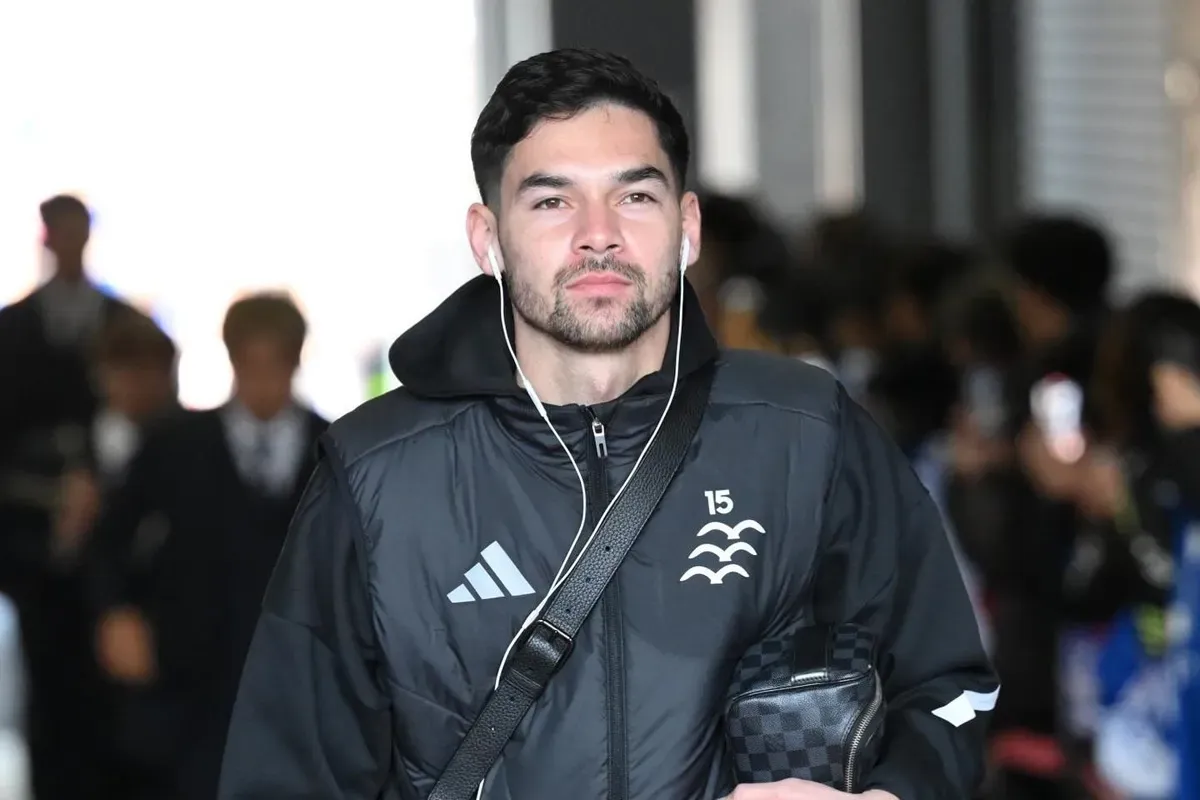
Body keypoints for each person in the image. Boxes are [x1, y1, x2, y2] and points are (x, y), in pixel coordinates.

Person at [219, 48, 998, 799]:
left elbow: (950, 688)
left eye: (635, 195)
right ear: (487, 239)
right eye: (552, 200)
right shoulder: (379, 474)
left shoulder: (805, 432)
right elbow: (285, 775)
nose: (599, 233)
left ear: (687, 227)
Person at [86, 292, 328, 800]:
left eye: (275, 364)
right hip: (189, 684)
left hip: (301, 685)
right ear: (231, 359)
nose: (262, 381)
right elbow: (108, 540)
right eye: (250, 363)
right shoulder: (175, 445)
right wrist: (115, 613)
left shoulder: (337, 453)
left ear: (296, 360)